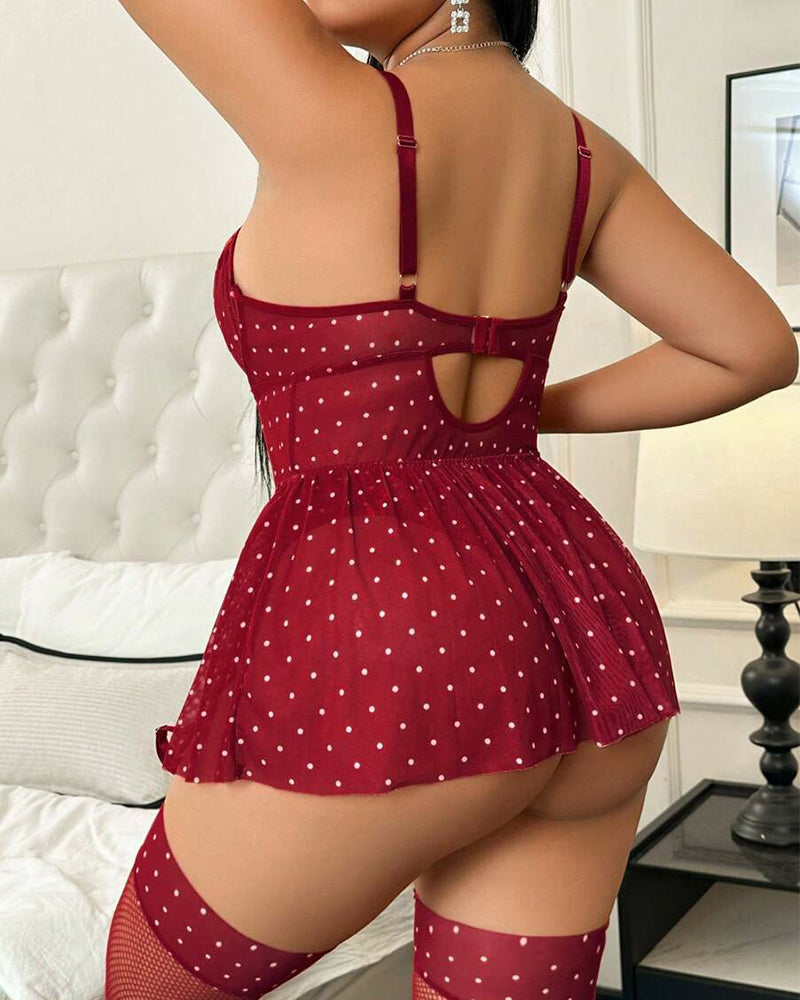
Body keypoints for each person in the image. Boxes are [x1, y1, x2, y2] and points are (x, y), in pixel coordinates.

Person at [104, 2, 798, 998]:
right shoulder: (581, 154)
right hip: (585, 633)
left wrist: (455, 414)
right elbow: (751, 349)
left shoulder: (330, 107)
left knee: (143, 983)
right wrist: (510, 413)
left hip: (401, 636)